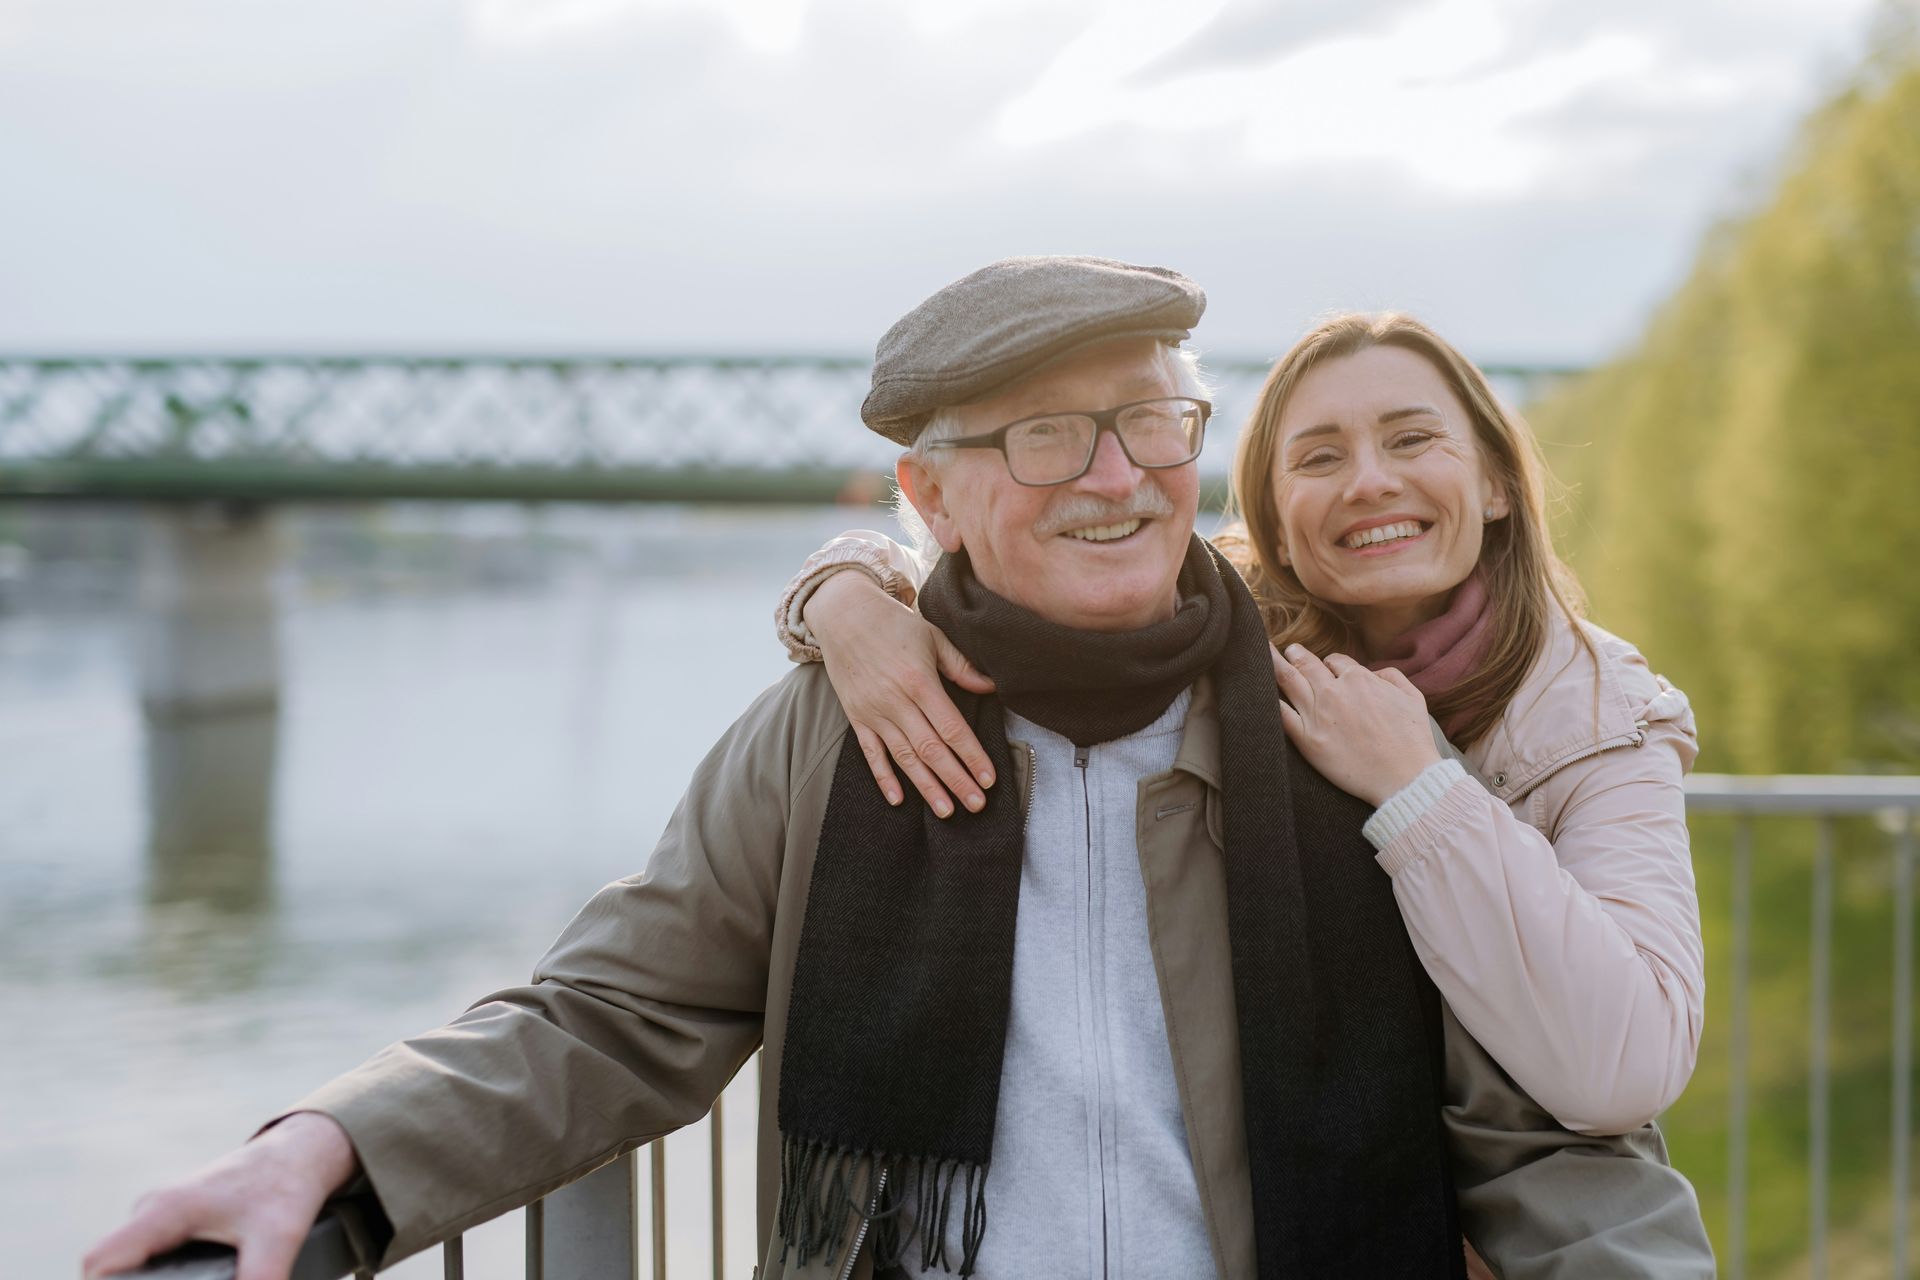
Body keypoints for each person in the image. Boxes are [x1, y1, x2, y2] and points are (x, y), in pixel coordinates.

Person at [85, 259, 1712, 1280]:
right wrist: (335, 1147)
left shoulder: (1341, 735)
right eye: (1040, 436)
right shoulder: (831, 728)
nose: (1115, 476)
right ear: (925, 496)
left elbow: (1538, 1147)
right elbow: (612, 1013)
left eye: (1150, 422)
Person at [773, 311, 1703, 1138]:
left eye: (1413, 439)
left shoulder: (1597, 716)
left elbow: (1624, 1074)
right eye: (1320, 457)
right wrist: (846, 593)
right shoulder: (1216, 651)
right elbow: (1015, 554)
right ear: (1273, 516)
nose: (1371, 482)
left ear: (1498, 483)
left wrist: (1418, 788)